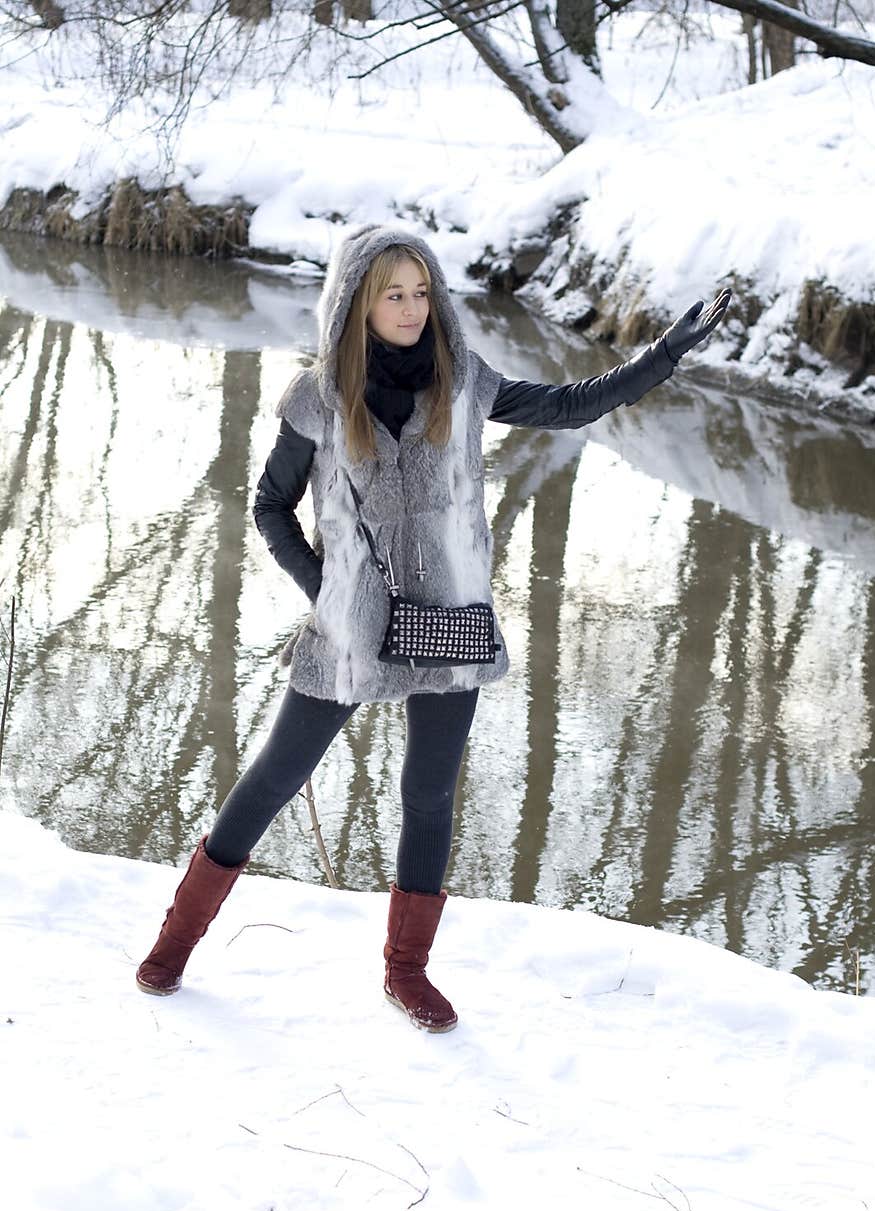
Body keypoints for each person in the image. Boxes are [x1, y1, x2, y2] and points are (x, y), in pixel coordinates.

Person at [135, 222, 731, 1032]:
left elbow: (568, 404)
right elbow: (270, 506)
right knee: (272, 781)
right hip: (348, 633)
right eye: (394, 294)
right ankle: (174, 945)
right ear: (358, 302)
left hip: (453, 622)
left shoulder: (464, 382)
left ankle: (406, 971)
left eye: (422, 291)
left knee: (429, 795)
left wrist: (665, 353)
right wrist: (327, 589)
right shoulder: (317, 398)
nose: (413, 308)